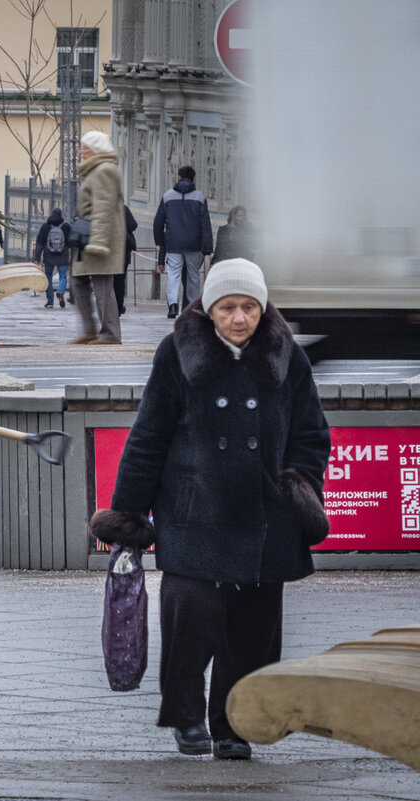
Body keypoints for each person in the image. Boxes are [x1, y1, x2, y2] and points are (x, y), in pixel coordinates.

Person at [90, 258, 331, 761]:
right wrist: (129, 514)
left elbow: (311, 435)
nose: (239, 319)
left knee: (253, 634)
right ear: (209, 308)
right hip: (192, 511)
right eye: (227, 308)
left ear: (262, 310)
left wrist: (298, 485)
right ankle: (185, 717)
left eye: (248, 308)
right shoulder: (177, 353)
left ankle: (233, 725)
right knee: (190, 622)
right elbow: (149, 437)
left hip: (266, 516)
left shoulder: (287, 356)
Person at [70, 130, 125, 345]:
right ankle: (91, 330)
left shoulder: (104, 171)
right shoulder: (95, 170)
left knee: (102, 284)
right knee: (79, 280)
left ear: (96, 150)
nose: (82, 151)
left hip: (100, 237)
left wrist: (99, 242)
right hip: (89, 234)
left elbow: (103, 208)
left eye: (86, 148)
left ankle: (110, 333)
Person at [153, 165, 213, 319]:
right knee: (193, 276)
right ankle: (192, 308)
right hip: (194, 244)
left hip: (173, 243)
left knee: (173, 274)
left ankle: (173, 305)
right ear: (193, 179)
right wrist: (207, 248)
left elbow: (158, 221)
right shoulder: (199, 197)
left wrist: (161, 242)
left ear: (178, 177)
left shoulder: (168, 196)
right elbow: (205, 224)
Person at [33, 207, 71, 309]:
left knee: (48, 276)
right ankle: (60, 291)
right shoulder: (66, 226)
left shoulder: (46, 226)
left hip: (48, 255)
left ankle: (50, 302)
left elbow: (40, 243)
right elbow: (71, 241)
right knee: (63, 275)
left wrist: (37, 257)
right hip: (62, 255)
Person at [116, 205, 138, 316]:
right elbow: (133, 225)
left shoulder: (102, 207)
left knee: (108, 282)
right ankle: (119, 307)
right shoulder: (123, 208)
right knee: (120, 281)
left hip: (108, 251)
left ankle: (111, 307)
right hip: (123, 250)